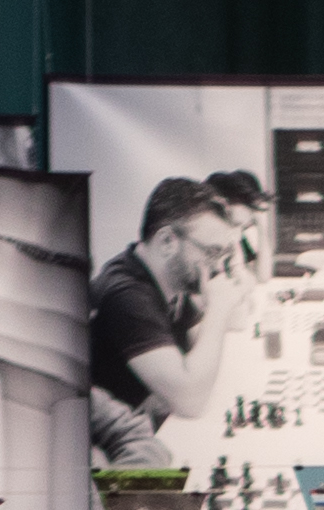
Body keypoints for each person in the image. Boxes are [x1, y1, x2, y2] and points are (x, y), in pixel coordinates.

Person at [88, 180, 239, 461]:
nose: (218, 266)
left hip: (145, 433)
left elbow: (225, 334)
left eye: (222, 254)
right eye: (212, 252)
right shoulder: (126, 293)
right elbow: (190, 401)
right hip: (111, 459)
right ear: (167, 241)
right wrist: (217, 310)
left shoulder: (170, 284)